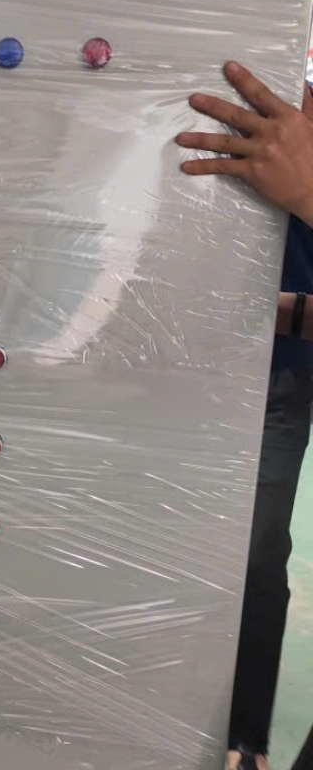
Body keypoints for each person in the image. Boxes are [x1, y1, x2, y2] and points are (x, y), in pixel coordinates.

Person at [178, 62, 313, 770]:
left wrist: (284, 315)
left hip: (279, 369)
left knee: (255, 551)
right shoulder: (243, 84)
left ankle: (244, 739)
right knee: (174, 532)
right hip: (180, 359)